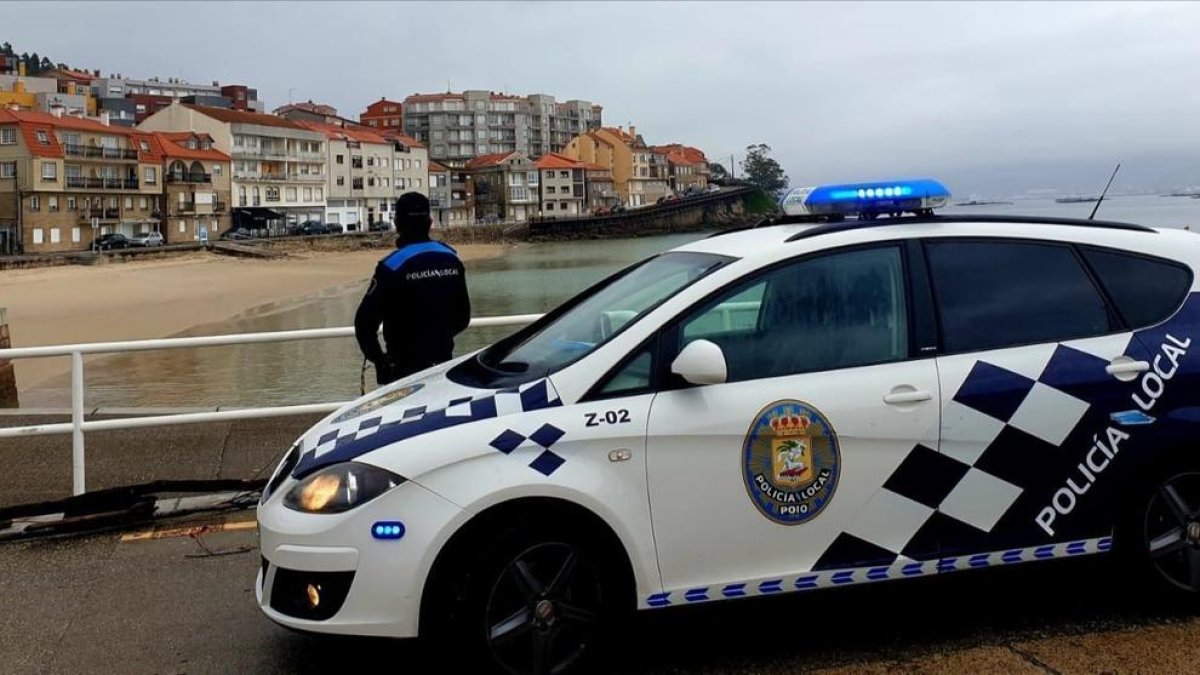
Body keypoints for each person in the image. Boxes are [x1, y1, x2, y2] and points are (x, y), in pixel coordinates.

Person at [354, 192, 471, 386]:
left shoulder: (391, 266)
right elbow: (462, 318)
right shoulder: (451, 259)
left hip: (403, 370)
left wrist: (381, 361)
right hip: (443, 367)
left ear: (397, 223)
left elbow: (364, 325)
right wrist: (438, 338)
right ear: (430, 222)